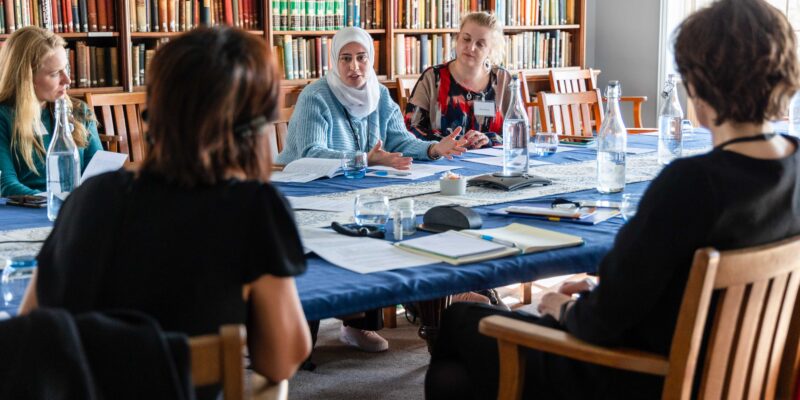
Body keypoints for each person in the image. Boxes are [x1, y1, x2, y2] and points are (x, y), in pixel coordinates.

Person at [425, 0, 800, 398]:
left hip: (633, 374)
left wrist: (557, 304)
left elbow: (599, 323)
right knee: (459, 377)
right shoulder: (792, 165)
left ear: (700, 86)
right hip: (731, 374)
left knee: (461, 322)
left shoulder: (692, 184)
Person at [19, 27, 312, 387]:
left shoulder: (90, 196)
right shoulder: (253, 208)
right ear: (256, 128)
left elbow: (31, 324)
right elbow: (281, 359)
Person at [277, 27, 466, 169]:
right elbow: (311, 154)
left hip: (353, 181)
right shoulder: (315, 96)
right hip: (302, 183)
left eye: (361, 57)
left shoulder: (380, 94)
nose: (354, 66)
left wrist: (433, 149)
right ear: (335, 60)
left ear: (371, 58)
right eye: (346, 58)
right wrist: (365, 159)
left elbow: (400, 142)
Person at [0, 26, 102, 196]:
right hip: (27, 213)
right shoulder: (4, 117)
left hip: (77, 211)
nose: (67, 80)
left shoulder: (79, 111)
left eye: (66, 68)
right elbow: (6, 185)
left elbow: (99, 173)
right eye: (55, 73)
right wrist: (54, 204)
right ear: (27, 78)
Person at [405, 12, 512, 150]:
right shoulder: (432, 77)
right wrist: (445, 144)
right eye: (466, 39)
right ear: (457, 38)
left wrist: (490, 139)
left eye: (480, 44)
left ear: (491, 50)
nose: (471, 47)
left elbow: (519, 131)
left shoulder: (503, 80)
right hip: (442, 162)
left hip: (492, 165)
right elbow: (410, 128)